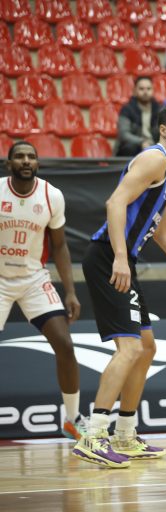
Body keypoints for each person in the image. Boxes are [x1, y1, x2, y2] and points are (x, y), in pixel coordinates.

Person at [72, 104, 166, 469]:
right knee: (129, 348)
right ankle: (94, 435)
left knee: (146, 348)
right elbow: (115, 202)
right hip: (108, 256)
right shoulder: (154, 159)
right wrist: (120, 257)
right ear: (162, 130)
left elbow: (164, 233)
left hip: (121, 259)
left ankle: (125, 434)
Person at [1, 141, 87, 440]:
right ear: (9, 163)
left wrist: (70, 291)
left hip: (33, 279)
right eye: (19, 156)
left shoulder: (52, 195)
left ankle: (73, 419)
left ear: (38, 163)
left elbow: (60, 246)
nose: (26, 161)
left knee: (65, 344)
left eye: (31, 156)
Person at [115, 77, 161, 157]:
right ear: (135, 91)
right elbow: (124, 134)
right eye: (141, 89)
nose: (145, 92)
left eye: (148, 89)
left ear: (153, 90)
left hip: (153, 146)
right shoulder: (127, 109)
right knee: (129, 147)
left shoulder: (158, 109)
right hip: (134, 147)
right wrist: (142, 142)